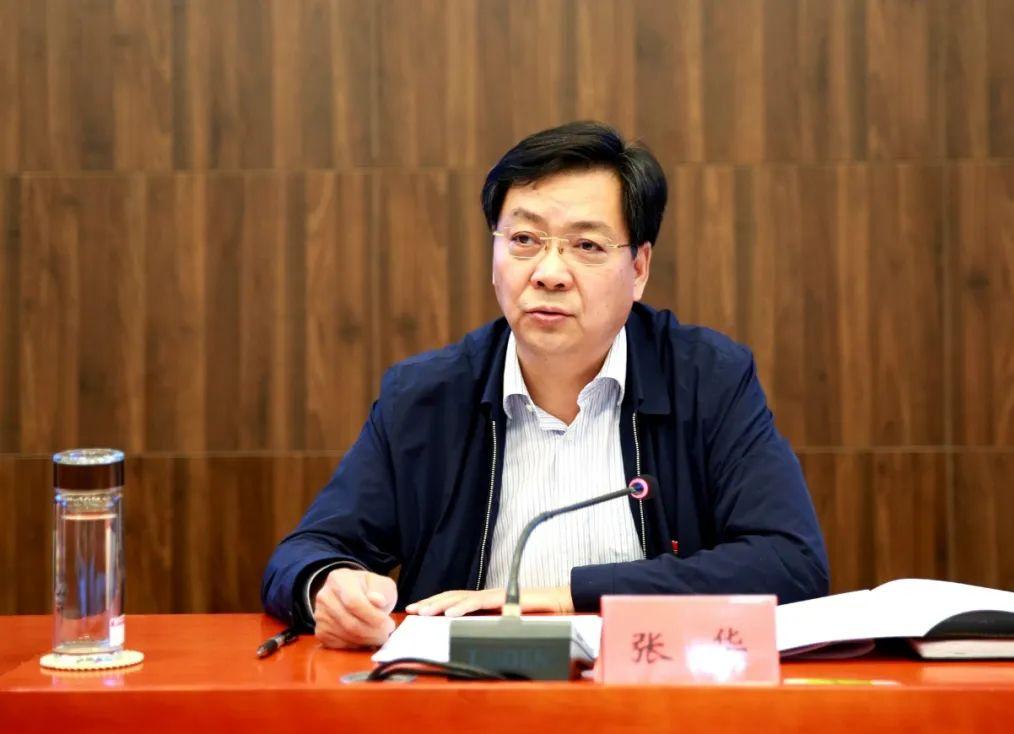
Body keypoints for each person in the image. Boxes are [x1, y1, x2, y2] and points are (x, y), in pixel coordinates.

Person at [261, 121, 829, 649]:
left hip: (650, 695)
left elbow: (790, 562)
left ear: (638, 269)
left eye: (586, 246)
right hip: (468, 696)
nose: (549, 272)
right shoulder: (426, 398)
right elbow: (304, 555)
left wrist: (567, 598)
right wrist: (329, 587)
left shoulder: (707, 380)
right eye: (524, 239)